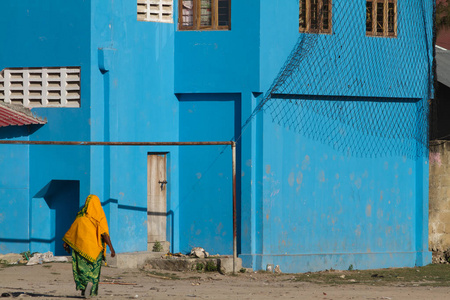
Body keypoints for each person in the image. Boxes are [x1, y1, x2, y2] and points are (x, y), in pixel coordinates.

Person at [62, 194, 115, 298]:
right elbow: (104, 234)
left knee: (81, 269)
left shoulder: (80, 217)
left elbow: (72, 232)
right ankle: (90, 288)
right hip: (95, 251)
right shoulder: (100, 217)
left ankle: (84, 287)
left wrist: (66, 244)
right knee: (94, 272)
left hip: (81, 249)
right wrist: (111, 248)